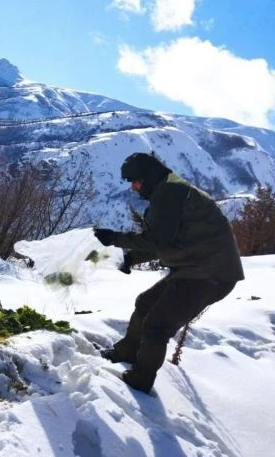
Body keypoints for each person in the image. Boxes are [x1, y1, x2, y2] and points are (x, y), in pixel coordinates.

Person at [92, 152, 244, 394]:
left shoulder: (170, 193)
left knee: (157, 324)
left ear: (148, 177)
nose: (133, 188)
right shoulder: (169, 190)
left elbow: (158, 240)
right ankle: (127, 353)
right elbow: (172, 240)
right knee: (145, 303)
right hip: (196, 268)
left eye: (136, 182)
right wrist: (131, 257)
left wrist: (115, 239)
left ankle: (140, 381)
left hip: (211, 274)